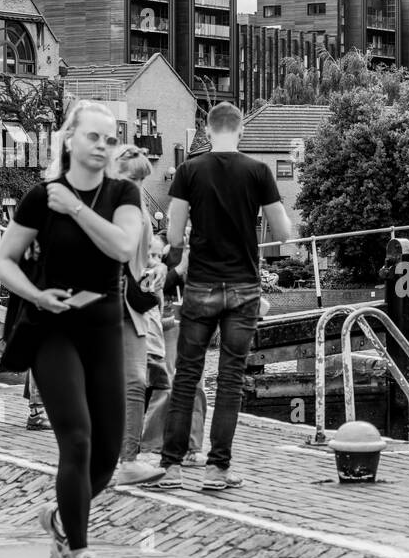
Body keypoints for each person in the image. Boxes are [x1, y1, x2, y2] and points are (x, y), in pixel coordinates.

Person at [0, 100, 145, 558]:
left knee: (107, 455)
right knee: (76, 440)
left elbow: (123, 248)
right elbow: (3, 262)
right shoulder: (41, 197)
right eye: (93, 137)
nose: (102, 146)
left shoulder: (123, 193)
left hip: (104, 327)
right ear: (69, 139)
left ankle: (61, 514)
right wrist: (36, 295)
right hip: (53, 328)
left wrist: (76, 208)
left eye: (110, 139)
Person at [156, 103, 296, 490]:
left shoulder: (188, 171)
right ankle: (218, 469)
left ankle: (171, 467)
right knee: (231, 379)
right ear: (241, 132)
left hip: (200, 284)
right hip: (243, 287)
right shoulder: (258, 172)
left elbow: (172, 236)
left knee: (186, 376)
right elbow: (284, 233)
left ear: (206, 129)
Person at [110, 145, 167, 487]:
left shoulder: (139, 210)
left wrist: (157, 267)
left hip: (131, 302)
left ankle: (128, 461)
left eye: (142, 179)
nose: (138, 185)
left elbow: (142, 257)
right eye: (133, 177)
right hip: (103, 299)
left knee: (135, 381)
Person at [139, 247, 207, 463]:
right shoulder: (163, 247)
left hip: (194, 316)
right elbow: (154, 284)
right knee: (164, 384)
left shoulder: (204, 244)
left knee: (196, 385)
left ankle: (193, 447)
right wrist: (178, 267)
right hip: (167, 321)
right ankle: (152, 445)